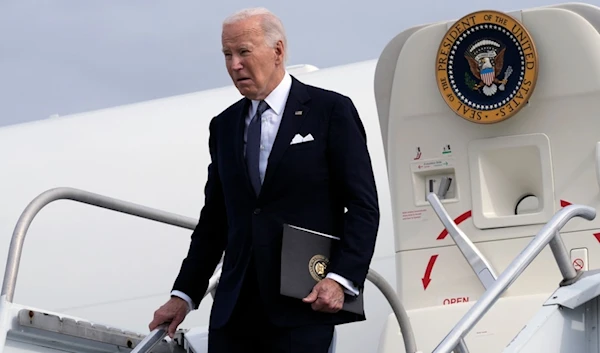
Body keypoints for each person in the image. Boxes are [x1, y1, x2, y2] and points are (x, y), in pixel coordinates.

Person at [149, 7, 380, 353]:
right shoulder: (224, 126)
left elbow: (363, 206)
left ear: (278, 51)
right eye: (227, 54)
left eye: (243, 52)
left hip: (303, 306)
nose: (234, 65)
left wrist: (340, 279)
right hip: (234, 313)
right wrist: (183, 295)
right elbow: (215, 222)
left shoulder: (330, 111)